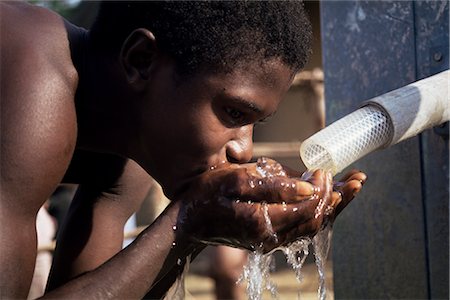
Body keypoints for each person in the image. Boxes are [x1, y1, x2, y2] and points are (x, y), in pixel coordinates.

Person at [0, 1, 367, 299]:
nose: (244, 149)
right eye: (234, 112)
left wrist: (202, 227)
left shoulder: (133, 147)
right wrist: (189, 219)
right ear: (142, 60)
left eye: (256, 123)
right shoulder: (30, 81)